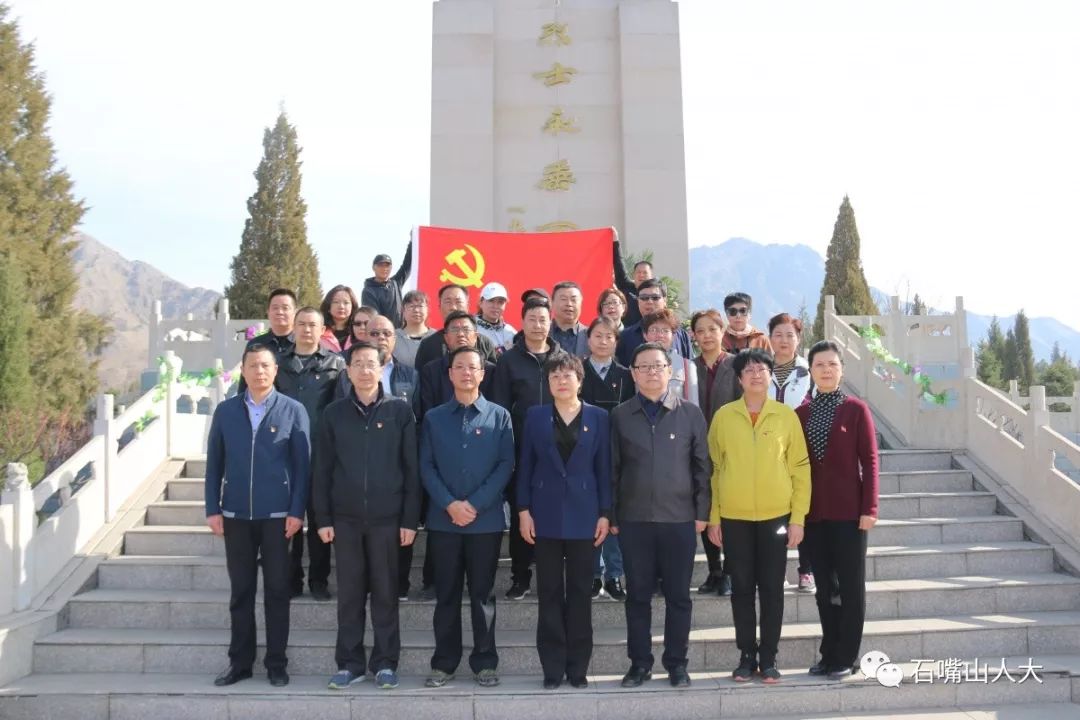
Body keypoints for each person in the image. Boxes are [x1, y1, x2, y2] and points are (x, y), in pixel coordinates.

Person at [314, 342, 420, 691]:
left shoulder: (399, 412)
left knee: (386, 593)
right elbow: (323, 470)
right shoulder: (333, 414)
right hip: (344, 520)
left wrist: (409, 519)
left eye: (370, 363)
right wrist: (323, 518)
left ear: (381, 367)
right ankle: (349, 663)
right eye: (357, 363)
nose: (364, 370)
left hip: (387, 520)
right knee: (350, 594)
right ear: (347, 370)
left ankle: (386, 663)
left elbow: (411, 470)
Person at [204, 344, 310, 688]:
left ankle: (277, 663)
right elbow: (214, 465)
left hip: (279, 517)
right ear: (244, 370)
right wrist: (212, 508)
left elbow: (302, 467)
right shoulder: (226, 412)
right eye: (253, 365)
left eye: (265, 365)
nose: (259, 371)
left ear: (275, 371)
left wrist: (297, 511)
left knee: (278, 591)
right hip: (235, 515)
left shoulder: (293, 410)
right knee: (241, 593)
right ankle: (240, 663)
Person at [610, 343, 711, 689]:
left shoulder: (691, 414)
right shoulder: (620, 416)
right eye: (644, 367)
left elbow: (703, 468)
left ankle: (677, 663)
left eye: (658, 366)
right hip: (634, 520)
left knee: (678, 596)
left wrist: (702, 513)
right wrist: (612, 515)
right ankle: (639, 664)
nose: (652, 372)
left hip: (679, 520)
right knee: (637, 595)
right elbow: (613, 469)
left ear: (671, 371)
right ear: (634, 374)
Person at [707, 348, 811, 684]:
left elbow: (799, 469)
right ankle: (745, 655)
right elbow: (715, 469)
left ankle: (768, 657)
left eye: (761, 369)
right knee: (740, 589)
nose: (755, 374)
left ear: (770, 376)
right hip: (734, 517)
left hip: (775, 516)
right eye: (748, 369)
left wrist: (798, 518)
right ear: (739, 379)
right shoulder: (724, 416)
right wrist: (715, 517)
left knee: (771, 589)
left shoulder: (785, 416)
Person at [420, 346, 515, 689]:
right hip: (444, 521)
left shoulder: (499, 416)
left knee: (482, 594)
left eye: (472, 367)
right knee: (446, 594)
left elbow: (506, 465)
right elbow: (426, 467)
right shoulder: (433, 418)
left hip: (485, 521)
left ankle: (485, 662)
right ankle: (444, 663)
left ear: (482, 373)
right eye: (458, 367)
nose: (465, 373)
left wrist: (474, 503)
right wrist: (450, 504)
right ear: (449, 374)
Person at [517, 354, 611, 689]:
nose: (561, 380)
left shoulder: (599, 417)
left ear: (580, 379)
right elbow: (525, 464)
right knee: (550, 591)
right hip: (544, 514)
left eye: (567, 374)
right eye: (555, 374)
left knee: (582, 592)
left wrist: (605, 513)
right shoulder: (535, 416)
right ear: (548, 382)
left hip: (586, 516)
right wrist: (523, 509)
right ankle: (552, 667)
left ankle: (578, 667)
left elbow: (604, 468)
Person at [796, 341, 879, 680]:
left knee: (850, 586)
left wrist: (869, 507)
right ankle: (828, 652)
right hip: (814, 514)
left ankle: (847, 655)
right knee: (824, 588)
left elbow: (870, 461)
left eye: (832, 364)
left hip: (849, 514)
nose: (826, 369)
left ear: (842, 369)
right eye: (819, 365)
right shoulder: (800, 414)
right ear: (811, 371)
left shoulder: (856, 409)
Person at [491, 297, 561, 601]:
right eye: (532, 318)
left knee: (555, 514)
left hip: (560, 451)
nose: (538, 324)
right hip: (522, 450)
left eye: (543, 319)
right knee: (524, 511)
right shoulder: (509, 361)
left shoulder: (564, 358)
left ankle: (551, 576)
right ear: (522, 322)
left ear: (551, 321)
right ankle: (520, 576)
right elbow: (501, 409)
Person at [276, 307, 347, 600]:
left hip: (320, 455)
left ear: (322, 330)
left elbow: (342, 411)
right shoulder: (277, 364)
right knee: (288, 521)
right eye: (302, 324)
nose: (307, 330)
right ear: (293, 328)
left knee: (320, 520)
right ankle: (291, 579)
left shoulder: (335, 364)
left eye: (313, 325)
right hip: (283, 454)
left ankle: (319, 579)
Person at [580, 316, 634, 601]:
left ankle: (614, 575)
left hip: (619, 451)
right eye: (597, 336)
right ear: (588, 339)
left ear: (616, 341)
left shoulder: (627, 375)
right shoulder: (576, 371)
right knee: (590, 513)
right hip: (583, 451)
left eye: (608, 336)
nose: (603, 341)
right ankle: (592, 575)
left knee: (613, 515)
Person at [690, 309, 740, 597]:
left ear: (722, 332)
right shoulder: (688, 368)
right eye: (701, 330)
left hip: (728, 447)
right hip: (695, 449)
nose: (707, 335)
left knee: (729, 508)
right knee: (705, 506)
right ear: (694, 336)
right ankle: (714, 570)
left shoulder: (735, 365)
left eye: (712, 329)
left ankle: (731, 572)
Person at [768, 312, 815, 593]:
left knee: (802, 509)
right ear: (769, 337)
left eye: (790, 335)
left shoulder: (809, 370)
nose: (784, 341)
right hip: (768, 449)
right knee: (774, 512)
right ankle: (777, 569)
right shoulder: (761, 368)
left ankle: (806, 570)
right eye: (778, 335)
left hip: (802, 448)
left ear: (798, 339)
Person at [419, 311, 496, 420]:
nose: (460, 334)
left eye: (466, 329)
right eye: (455, 329)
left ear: (475, 337)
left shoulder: (490, 370)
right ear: (446, 338)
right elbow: (428, 412)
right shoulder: (431, 370)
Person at [413, 284, 499, 371]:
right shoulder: (428, 345)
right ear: (439, 307)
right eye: (448, 302)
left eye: (458, 302)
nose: (453, 307)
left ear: (467, 305)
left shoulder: (485, 343)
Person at [614, 279, 691, 367]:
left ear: (665, 300)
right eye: (644, 298)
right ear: (638, 301)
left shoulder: (681, 335)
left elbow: (688, 369)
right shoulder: (625, 336)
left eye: (655, 297)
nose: (649, 301)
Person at [238, 289, 297, 394]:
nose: (279, 312)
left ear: (295, 312)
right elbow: (245, 382)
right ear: (268, 312)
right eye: (275, 308)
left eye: (285, 308)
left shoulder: (302, 343)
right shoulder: (256, 344)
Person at [642, 309, 698, 405]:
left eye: (665, 330)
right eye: (654, 330)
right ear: (645, 335)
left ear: (673, 336)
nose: (659, 335)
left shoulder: (686, 366)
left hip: (677, 418)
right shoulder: (636, 366)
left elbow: (693, 406)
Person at [361, 244, 413, 328]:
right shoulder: (368, 291)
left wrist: (412, 242)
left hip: (401, 333)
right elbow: (374, 318)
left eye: (387, 265)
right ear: (374, 267)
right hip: (383, 334)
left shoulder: (396, 282)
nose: (384, 268)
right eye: (381, 265)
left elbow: (408, 264)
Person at [612, 239, 654, 326]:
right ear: (633, 275)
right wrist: (615, 241)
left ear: (651, 276)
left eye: (645, 272)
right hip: (629, 335)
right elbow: (618, 265)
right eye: (638, 272)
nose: (641, 275)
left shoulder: (656, 294)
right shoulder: (627, 287)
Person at [394, 290, 434, 369]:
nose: (416, 310)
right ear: (403, 311)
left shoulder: (436, 336)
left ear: (427, 309)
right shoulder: (393, 337)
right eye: (411, 306)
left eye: (420, 306)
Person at [549, 281, 589, 356]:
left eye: (573, 300)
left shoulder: (591, 335)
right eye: (563, 299)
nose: (569, 304)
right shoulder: (541, 332)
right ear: (552, 303)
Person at [475, 281, 517, 353]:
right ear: (481, 302)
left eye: (500, 302)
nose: (495, 306)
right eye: (491, 301)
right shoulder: (471, 327)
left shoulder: (511, 332)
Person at [319, 285, 359, 354]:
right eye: (336, 302)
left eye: (346, 303)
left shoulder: (358, 332)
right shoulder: (319, 332)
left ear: (352, 307)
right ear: (328, 306)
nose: (341, 306)